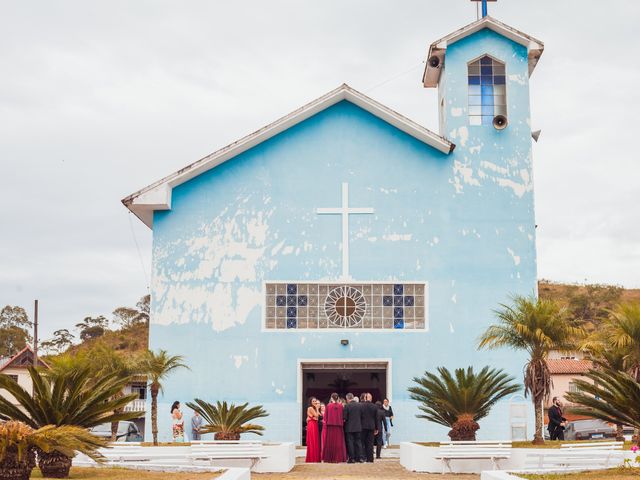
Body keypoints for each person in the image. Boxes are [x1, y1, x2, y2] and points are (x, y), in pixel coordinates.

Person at [322, 393, 347, 463]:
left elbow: (325, 417)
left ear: (331, 398)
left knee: (330, 443)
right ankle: (339, 457)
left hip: (330, 427)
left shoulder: (328, 406)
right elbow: (343, 417)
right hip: (339, 427)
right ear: (338, 398)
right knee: (339, 442)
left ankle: (330, 458)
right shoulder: (341, 406)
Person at [343, 392, 364, 463]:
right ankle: (360, 458)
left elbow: (344, 417)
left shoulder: (347, 406)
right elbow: (362, 416)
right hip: (358, 427)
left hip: (349, 427)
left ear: (347, 398)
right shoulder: (360, 405)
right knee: (358, 442)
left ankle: (352, 458)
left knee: (350, 443)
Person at [360, 393, 377, 462]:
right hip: (371, 427)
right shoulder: (374, 406)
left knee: (363, 443)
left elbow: (360, 417)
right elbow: (376, 418)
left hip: (363, 426)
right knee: (370, 443)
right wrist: (376, 428)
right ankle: (370, 459)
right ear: (371, 398)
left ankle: (364, 457)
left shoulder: (361, 406)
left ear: (365, 398)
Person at [305, 397, 321, 463]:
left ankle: (315, 458)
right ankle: (312, 458)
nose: (315, 402)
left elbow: (318, 417)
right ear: (311, 402)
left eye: (315, 401)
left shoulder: (313, 408)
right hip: (312, 425)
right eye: (313, 401)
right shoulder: (310, 408)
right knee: (312, 440)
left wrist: (315, 416)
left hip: (314, 424)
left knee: (315, 440)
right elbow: (317, 416)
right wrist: (317, 408)